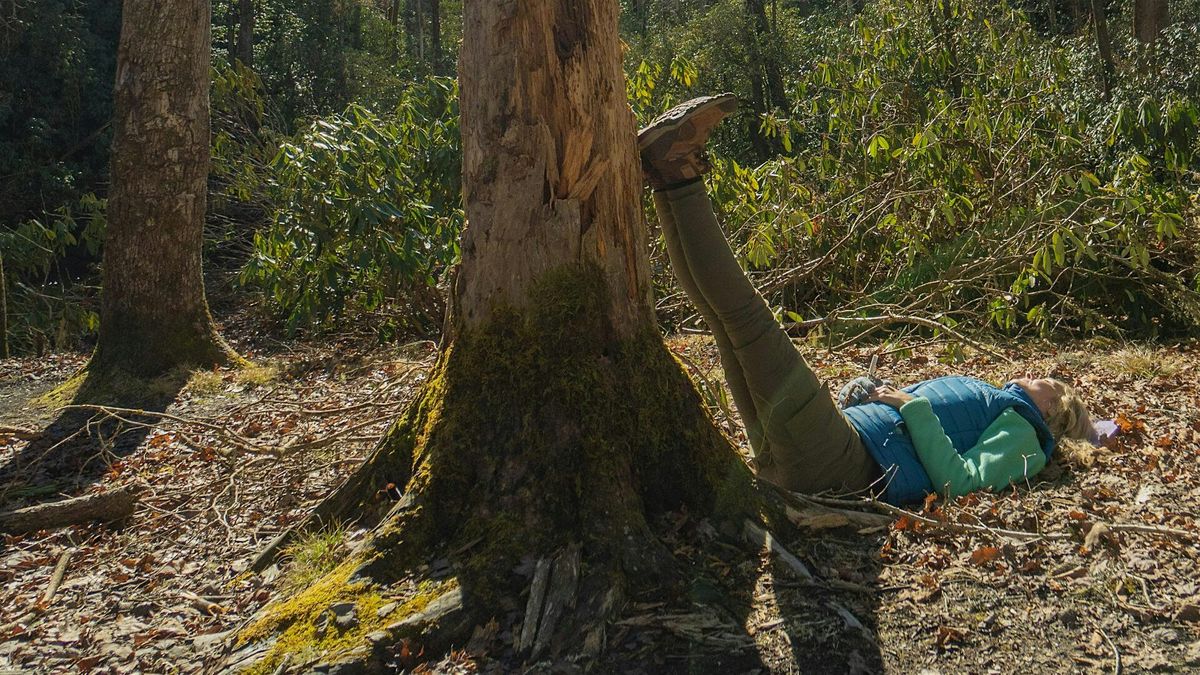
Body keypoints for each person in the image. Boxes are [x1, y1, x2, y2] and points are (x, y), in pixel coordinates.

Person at [637, 94, 1096, 506]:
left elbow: (963, 482)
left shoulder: (1027, 438)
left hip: (841, 460)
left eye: (1051, 386)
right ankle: (667, 175)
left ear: (1055, 410)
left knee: (745, 319)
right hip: (829, 451)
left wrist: (910, 406)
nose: (1040, 378)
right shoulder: (1003, 406)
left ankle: (677, 172)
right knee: (725, 323)